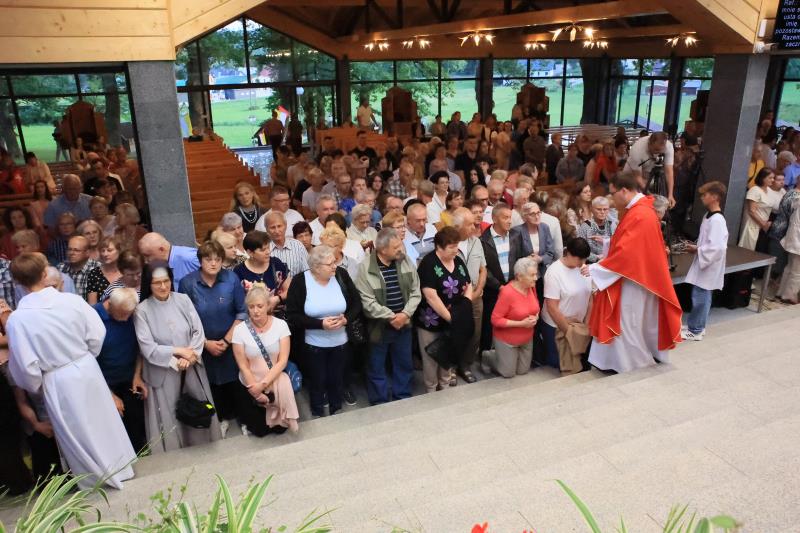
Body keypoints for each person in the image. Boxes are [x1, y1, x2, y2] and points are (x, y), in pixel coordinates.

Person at [7, 252, 136, 489]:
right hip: (85, 368)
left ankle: (93, 478)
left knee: (77, 431)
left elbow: (25, 365)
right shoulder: (71, 301)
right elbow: (97, 333)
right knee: (101, 420)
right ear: (44, 273)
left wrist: (37, 383)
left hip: (57, 377)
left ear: (17, 282)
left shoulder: (18, 320)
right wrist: (85, 356)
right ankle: (120, 468)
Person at [587, 172, 682, 373]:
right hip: (638, 275)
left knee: (627, 322)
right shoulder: (641, 209)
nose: (612, 200)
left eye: (613, 194)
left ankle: (632, 363)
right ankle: (618, 361)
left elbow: (627, 253)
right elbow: (630, 243)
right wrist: (607, 243)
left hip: (635, 279)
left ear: (624, 190)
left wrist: (596, 268)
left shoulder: (640, 214)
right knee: (632, 321)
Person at [134, 261, 221, 453]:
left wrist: (191, 356)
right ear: (148, 284)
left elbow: (198, 331)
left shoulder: (183, 300)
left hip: (191, 366)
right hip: (164, 371)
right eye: (157, 283)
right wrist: (178, 355)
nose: (163, 286)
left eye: (166, 281)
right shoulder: (142, 310)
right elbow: (148, 347)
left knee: (197, 407)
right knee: (170, 415)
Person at [179, 241, 247, 438]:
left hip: (232, 341)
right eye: (208, 259)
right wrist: (205, 343)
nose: (214, 263)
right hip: (203, 345)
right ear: (200, 261)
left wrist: (226, 341)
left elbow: (242, 312)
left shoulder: (231, 278)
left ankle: (245, 419)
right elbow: (185, 319)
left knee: (238, 381)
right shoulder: (187, 283)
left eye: (218, 259)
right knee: (214, 384)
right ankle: (222, 418)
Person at [286, 245, 362, 417]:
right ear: (316, 267)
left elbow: (357, 303)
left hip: (341, 342)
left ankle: (336, 409)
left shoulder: (341, 275)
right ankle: (318, 412)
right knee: (317, 381)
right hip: (313, 345)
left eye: (335, 262)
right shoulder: (300, 281)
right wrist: (320, 324)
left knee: (337, 379)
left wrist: (346, 319)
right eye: (330, 264)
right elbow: (293, 315)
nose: (335, 266)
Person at [355, 228, 421, 404]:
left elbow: (416, 291)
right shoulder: (366, 268)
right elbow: (367, 301)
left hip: (404, 324)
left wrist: (405, 314)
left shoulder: (405, 260)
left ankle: (403, 396)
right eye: (396, 247)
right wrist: (392, 317)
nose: (400, 249)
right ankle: (380, 402)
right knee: (376, 367)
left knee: (404, 363)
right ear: (382, 250)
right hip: (379, 328)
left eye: (400, 245)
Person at [231, 286, 299, 435]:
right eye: (251, 307)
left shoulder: (281, 325)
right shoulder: (239, 330)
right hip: (250, 383)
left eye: (260, 306)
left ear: (268, 305)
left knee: (280, 429)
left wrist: (263, 384)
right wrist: (256, 391)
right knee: (259, 431)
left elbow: (282, 361)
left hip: (275, 380)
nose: (255, 311)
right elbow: (243, 365)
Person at [415, 227, 473, 392]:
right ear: (439, 247)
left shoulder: (458, 260)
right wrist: (451, 318)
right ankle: (431, 388)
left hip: (455, 317)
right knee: (431, 357)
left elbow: (468, 285)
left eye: (457, 246)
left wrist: (465, 307)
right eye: (451, 247)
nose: (456, 250)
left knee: (448, 354)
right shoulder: (428, 264)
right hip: (431, 320)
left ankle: (446, 386)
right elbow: (431, 296)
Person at [93, 288, 148, 452]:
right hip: (104, 384)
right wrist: (109, 394)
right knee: (115, 435)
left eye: (129, 314)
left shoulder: (131, 314)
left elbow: (140, 346)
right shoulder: (93, 317)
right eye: (123, 314)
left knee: (137, 429)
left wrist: (137, 375)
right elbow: (89, 362)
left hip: (130, 380)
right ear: (110, 304)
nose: (126, 319)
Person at [683, 182, 728, 341]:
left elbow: (717, 247)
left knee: (701, 296)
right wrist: (698, 247)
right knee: (700, 294)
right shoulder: (708, 216)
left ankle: (696, 330)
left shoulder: (717, 220)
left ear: (714, 197)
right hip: (704, 261)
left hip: (709, 264)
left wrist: (698, 250)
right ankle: (695, 325)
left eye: (705, 194)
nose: (702, 197)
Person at [540, 237, 593, 371]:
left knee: (579, 362)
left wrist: (585, 326)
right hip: (557, 326)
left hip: (579, 326)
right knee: (560, 364)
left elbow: (590, 297)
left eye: (584, 259)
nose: (582, 263)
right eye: (579, 259)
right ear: (568, 254)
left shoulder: (584, 269)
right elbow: (552, 307)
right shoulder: (554, 272)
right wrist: (569, 332)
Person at [482, 257, 540, 378]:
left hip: (526, 338)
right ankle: (488, 356)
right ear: (519, 276)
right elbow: (495, 319)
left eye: (536, 274)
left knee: (522, 371)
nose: (536, 278)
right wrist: (521, 324)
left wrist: (536, 317)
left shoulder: (531, 287)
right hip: (507, 339)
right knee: (508, 373)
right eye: (532, 275)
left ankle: (510, 357)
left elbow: (536, 307)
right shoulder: (507, 293)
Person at [479, 203, 525, 352]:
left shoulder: (516, 236)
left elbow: (520, 260)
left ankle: (510, 351)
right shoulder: (483, 240)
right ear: (494, 219)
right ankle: (486, 354)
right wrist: (499, 287)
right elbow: (484, 268)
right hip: (493, 292)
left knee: (512, 322)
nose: (509, 221)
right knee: (489, 325)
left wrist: (514, 285)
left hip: (513, 289)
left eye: (510, 217)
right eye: (505, 218)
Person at [234, 230, 289, 305]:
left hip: (278, 309)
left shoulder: (276, 263)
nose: (268, 252)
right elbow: (237, 300)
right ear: (250, 252)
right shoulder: (239, 271)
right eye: (263, 250)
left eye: (268, 248)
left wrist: (277, 299)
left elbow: (289, 289)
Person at [624, 132, 675, 207]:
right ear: (649, 143)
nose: (657, 153)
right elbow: (638, 177)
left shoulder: (669, 147)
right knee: (632, 200)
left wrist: (670, 195)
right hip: (631, 173)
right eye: (656, 149)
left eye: (660, 150)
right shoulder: (637, 149)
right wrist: (651, 196)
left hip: (649, 172)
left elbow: (669, 172)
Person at [261, 211, 308, 277]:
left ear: (285, 226)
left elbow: (307, 272)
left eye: (279, 226)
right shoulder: (262, 250)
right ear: (266, 229)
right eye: (272, 227)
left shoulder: (298, 246)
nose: (277, 231)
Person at [739, 168, 775, 251]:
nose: (772, 180)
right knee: (747, 250)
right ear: (763, 178)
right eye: (770, 178)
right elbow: (752, 211)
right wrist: (763, 224)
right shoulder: (754, 190)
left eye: (773, 178)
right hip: (752, 224)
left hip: (763, 226)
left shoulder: (769, 190)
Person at [56, 235, 100, 301]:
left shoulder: (97, 269)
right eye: (69, 249)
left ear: (87, 253)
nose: (71, 253)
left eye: (76, 250)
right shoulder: (60, 268)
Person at [576, 196, 617, 263]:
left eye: (605, 209)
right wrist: (596, 257)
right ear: (592, 209)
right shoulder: (585, 226)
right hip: (591, 264)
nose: (602, 212)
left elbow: (618, 245)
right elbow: (579, 249)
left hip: (610, 262)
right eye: (599, 209)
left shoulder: (612, 225)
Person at [778, 194, 800, 304]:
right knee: (797, 271)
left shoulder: (798, 200)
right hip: (797, 241)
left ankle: (781, 292)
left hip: (793, 238)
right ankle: (789, 296)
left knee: (789, 267)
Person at [86, 236, 122, 304]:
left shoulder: (126, 271)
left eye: (109, 250)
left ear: (119, 251)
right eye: (103, 251)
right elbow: (92, 304)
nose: (105, 254)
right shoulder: (94, 273)